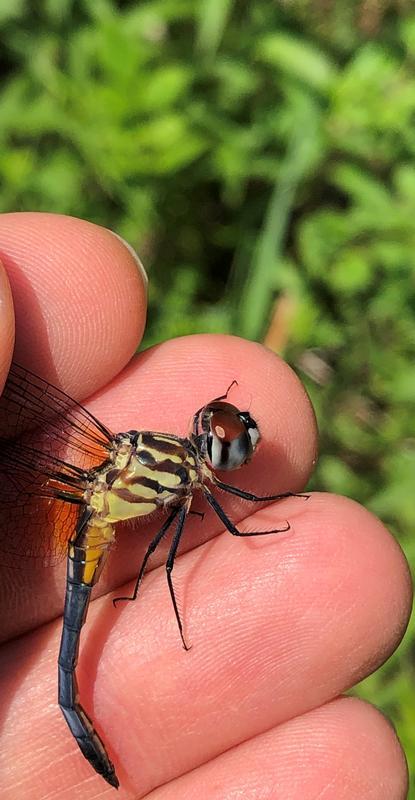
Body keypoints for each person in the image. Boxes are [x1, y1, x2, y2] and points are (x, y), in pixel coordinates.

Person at [0, 212, 411, 799]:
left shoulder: (177, 467)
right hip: (85, 524)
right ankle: (71, 704)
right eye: (221, 430)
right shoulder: (196, 475)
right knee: (169, 566)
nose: (228, 434)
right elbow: (195, 543)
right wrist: (272, 508)